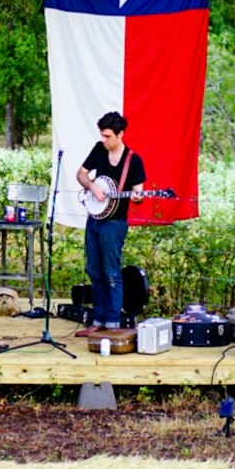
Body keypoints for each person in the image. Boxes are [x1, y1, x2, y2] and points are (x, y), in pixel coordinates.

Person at [74, 110, 145, 336]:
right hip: (94, 220)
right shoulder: (98, 150)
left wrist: (138, 198)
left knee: (111, 272)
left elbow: (138, 192)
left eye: (107, 136)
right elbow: (81, 174)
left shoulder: (133, 161)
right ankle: (98, 319)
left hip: (114, 224)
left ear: (120, 134)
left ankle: (113, 322)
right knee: (94, 270)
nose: (103, 140)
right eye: (102, 136)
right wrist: (93, 187)